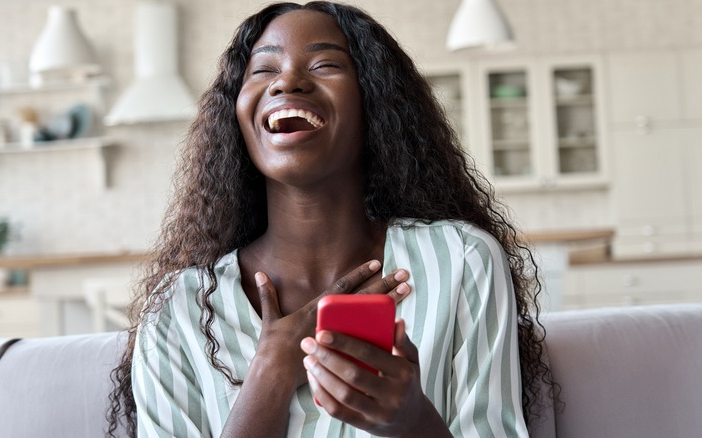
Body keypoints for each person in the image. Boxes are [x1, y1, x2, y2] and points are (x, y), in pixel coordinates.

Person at [108, 2, 554, 437]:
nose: (288, 81)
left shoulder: (461, 260)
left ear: (374, 103)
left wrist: (413, 423)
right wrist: (271, 370)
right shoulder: (178, 310)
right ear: (238, 114)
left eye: (324, 65)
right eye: (263, 70)